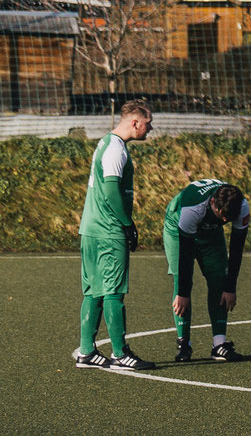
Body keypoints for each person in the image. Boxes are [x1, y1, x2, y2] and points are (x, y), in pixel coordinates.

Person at [77, 101, 155, 370]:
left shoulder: (105, 143)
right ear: (135, 122)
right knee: (113, 291)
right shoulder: (115, 149)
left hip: (90, 229)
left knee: (94, 291)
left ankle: (86, 351)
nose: (151, 128)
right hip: (108, 231)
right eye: (148, 122)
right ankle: (120, 353)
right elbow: (111, 190)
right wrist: (127, 224)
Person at [163, 179, 251, 362]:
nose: (226, 221)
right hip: (176, 227)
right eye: (222, 216)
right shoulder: (193, 208)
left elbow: (236, 249)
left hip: (210, 232)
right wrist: (183, 293)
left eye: (229, 218)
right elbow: (185, 255)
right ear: (212, 202)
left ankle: (219, 344)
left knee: (219, 279)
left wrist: (230, 287)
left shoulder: (241, 206)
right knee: (181, 281)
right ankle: (184, 343)